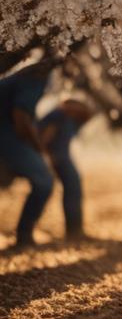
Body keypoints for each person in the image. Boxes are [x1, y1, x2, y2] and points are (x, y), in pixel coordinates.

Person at [0, 61, 55, 247]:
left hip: (7, 134)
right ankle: (24, 236)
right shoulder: (36, 76)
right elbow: (21, 118)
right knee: (44, 181)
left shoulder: (29, 73)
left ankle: (24, 235)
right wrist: (38, 148)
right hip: (6, 135)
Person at [35, 99, 95, 240]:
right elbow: (45, 138)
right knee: (72, 187)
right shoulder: (59, 115)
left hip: (62, 157)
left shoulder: (70, 119)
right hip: (57, 157)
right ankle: (74, 231)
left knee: (73, 188)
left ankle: (75, 230)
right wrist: (46, 156)